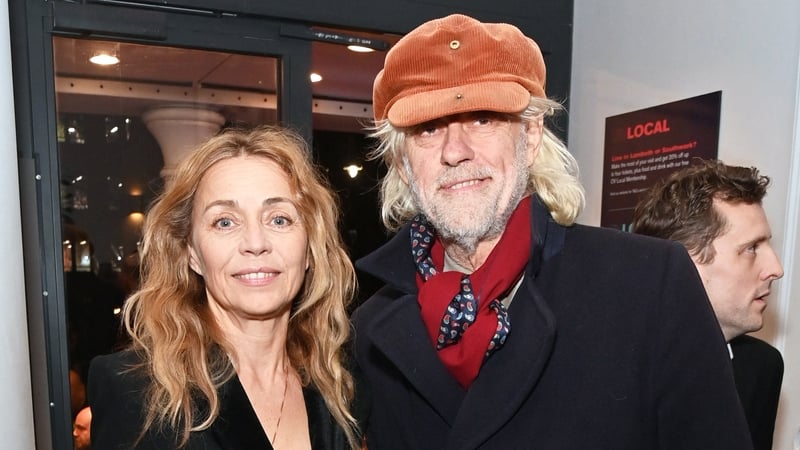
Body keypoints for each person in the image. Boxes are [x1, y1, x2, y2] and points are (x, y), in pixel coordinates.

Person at [351, 13, 752, 449]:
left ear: (531, 135)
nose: (455, 151)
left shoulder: (649, 283)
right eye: (428, 129)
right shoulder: (370, 330)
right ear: (405, 165)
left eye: (483, 119)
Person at [88, 126, 360, 449]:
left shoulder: (338, 387)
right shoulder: (135, 390)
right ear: (192, 254)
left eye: (279, 219)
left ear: (310, 249)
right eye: (225, 222)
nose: (256, 243)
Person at [632, 159, 784, 450]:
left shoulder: (762, 368)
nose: (776, 268)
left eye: (768, 245)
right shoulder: (610, 367)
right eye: (752, 248)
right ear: (686, 261)